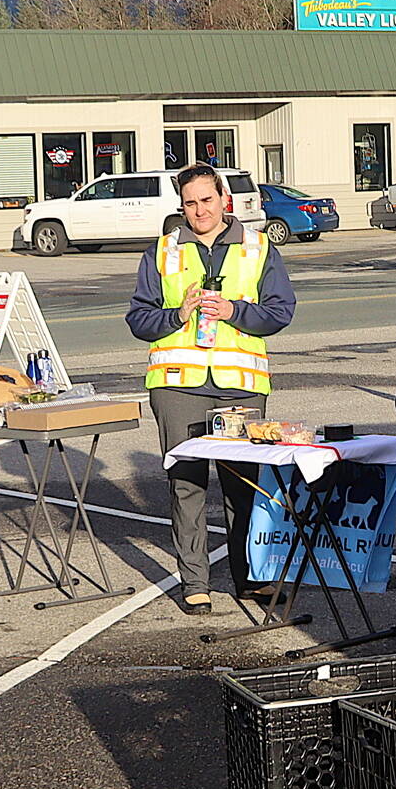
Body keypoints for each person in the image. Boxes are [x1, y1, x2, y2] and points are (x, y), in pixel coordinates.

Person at [126, 163, 296, 615]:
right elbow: (138, 320)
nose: (199, 210)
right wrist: (176, 316)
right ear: (181, 206)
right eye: (190, 203)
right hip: (178, 385)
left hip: (240, 386)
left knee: (244, 486)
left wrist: (235, 310)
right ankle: (194, 581)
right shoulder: (161, 252)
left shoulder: (258, 247)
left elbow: (281, 311)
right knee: (187, 485)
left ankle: (251, 580)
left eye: (206, 199)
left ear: (225, 199)